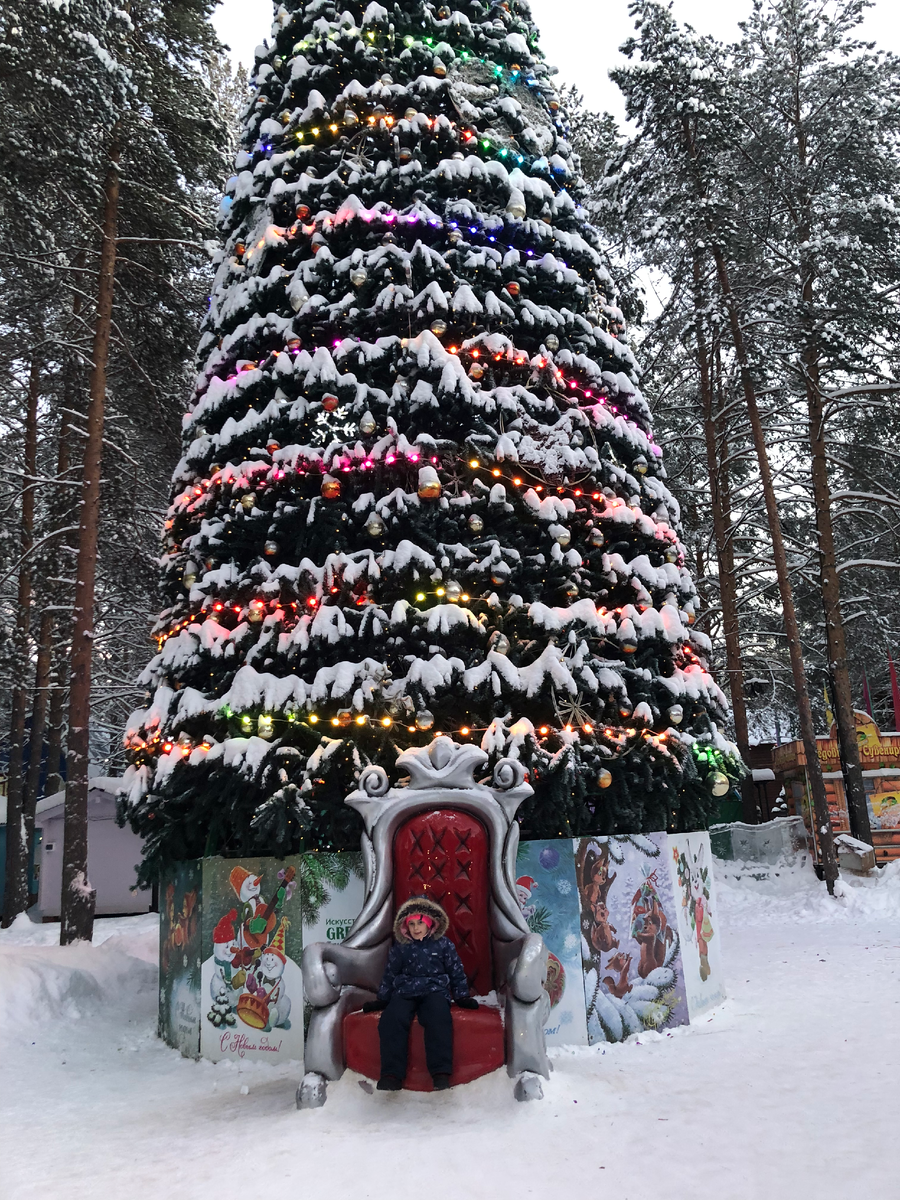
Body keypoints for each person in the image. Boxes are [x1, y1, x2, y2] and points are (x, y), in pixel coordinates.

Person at [362, 895, 478, 1091]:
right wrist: (383, 999)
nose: (416, 928)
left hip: (434, 990)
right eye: (412, 924)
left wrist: (461, 996)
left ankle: (440, 1072)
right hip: (405, 991)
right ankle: (391, 1074)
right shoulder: (401, 948)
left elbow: (456, 970)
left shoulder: (443, 945)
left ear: (430, 923)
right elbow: (390, 973)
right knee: (392, 1019)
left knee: (438, 1017)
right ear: (405, 926)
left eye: (420, 923)